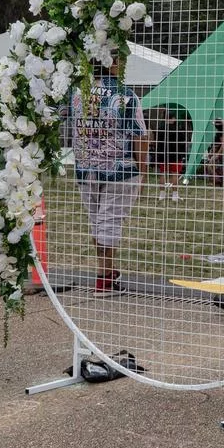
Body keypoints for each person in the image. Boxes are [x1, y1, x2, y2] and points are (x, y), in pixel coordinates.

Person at [65, 56, 148, 293]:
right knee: (109, 223)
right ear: (113, 62)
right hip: (119, 171)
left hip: (85, 169)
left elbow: (58, 116)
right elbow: (140, 135)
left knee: (97, 223)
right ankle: (104, 277)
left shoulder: (76, 93)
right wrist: (143, 171)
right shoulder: (125, 96)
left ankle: (107, 271)